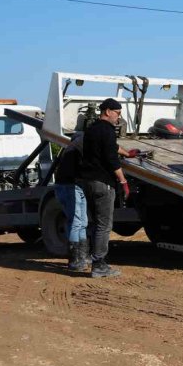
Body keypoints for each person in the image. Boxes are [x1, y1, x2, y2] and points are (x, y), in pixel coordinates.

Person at [77, 98, 139, 278]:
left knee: (94, 223)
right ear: (108, 111)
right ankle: (99, 265)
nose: (118, 118)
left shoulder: (91, 129)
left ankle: (88, 257)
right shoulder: (108, 130)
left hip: (88, 182)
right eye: (118, 113)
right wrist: (123, 181)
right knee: (104, 225)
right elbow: (111, 159)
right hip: (103, 183)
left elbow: (108, 147)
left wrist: (127, 153)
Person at [53, 133, 89, 272]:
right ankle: (75, 260)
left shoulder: (72, 149)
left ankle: (82, 256)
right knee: (76, 221)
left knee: (81, 221)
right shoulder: (75, 150)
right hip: (69, 187)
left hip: (73, 186)